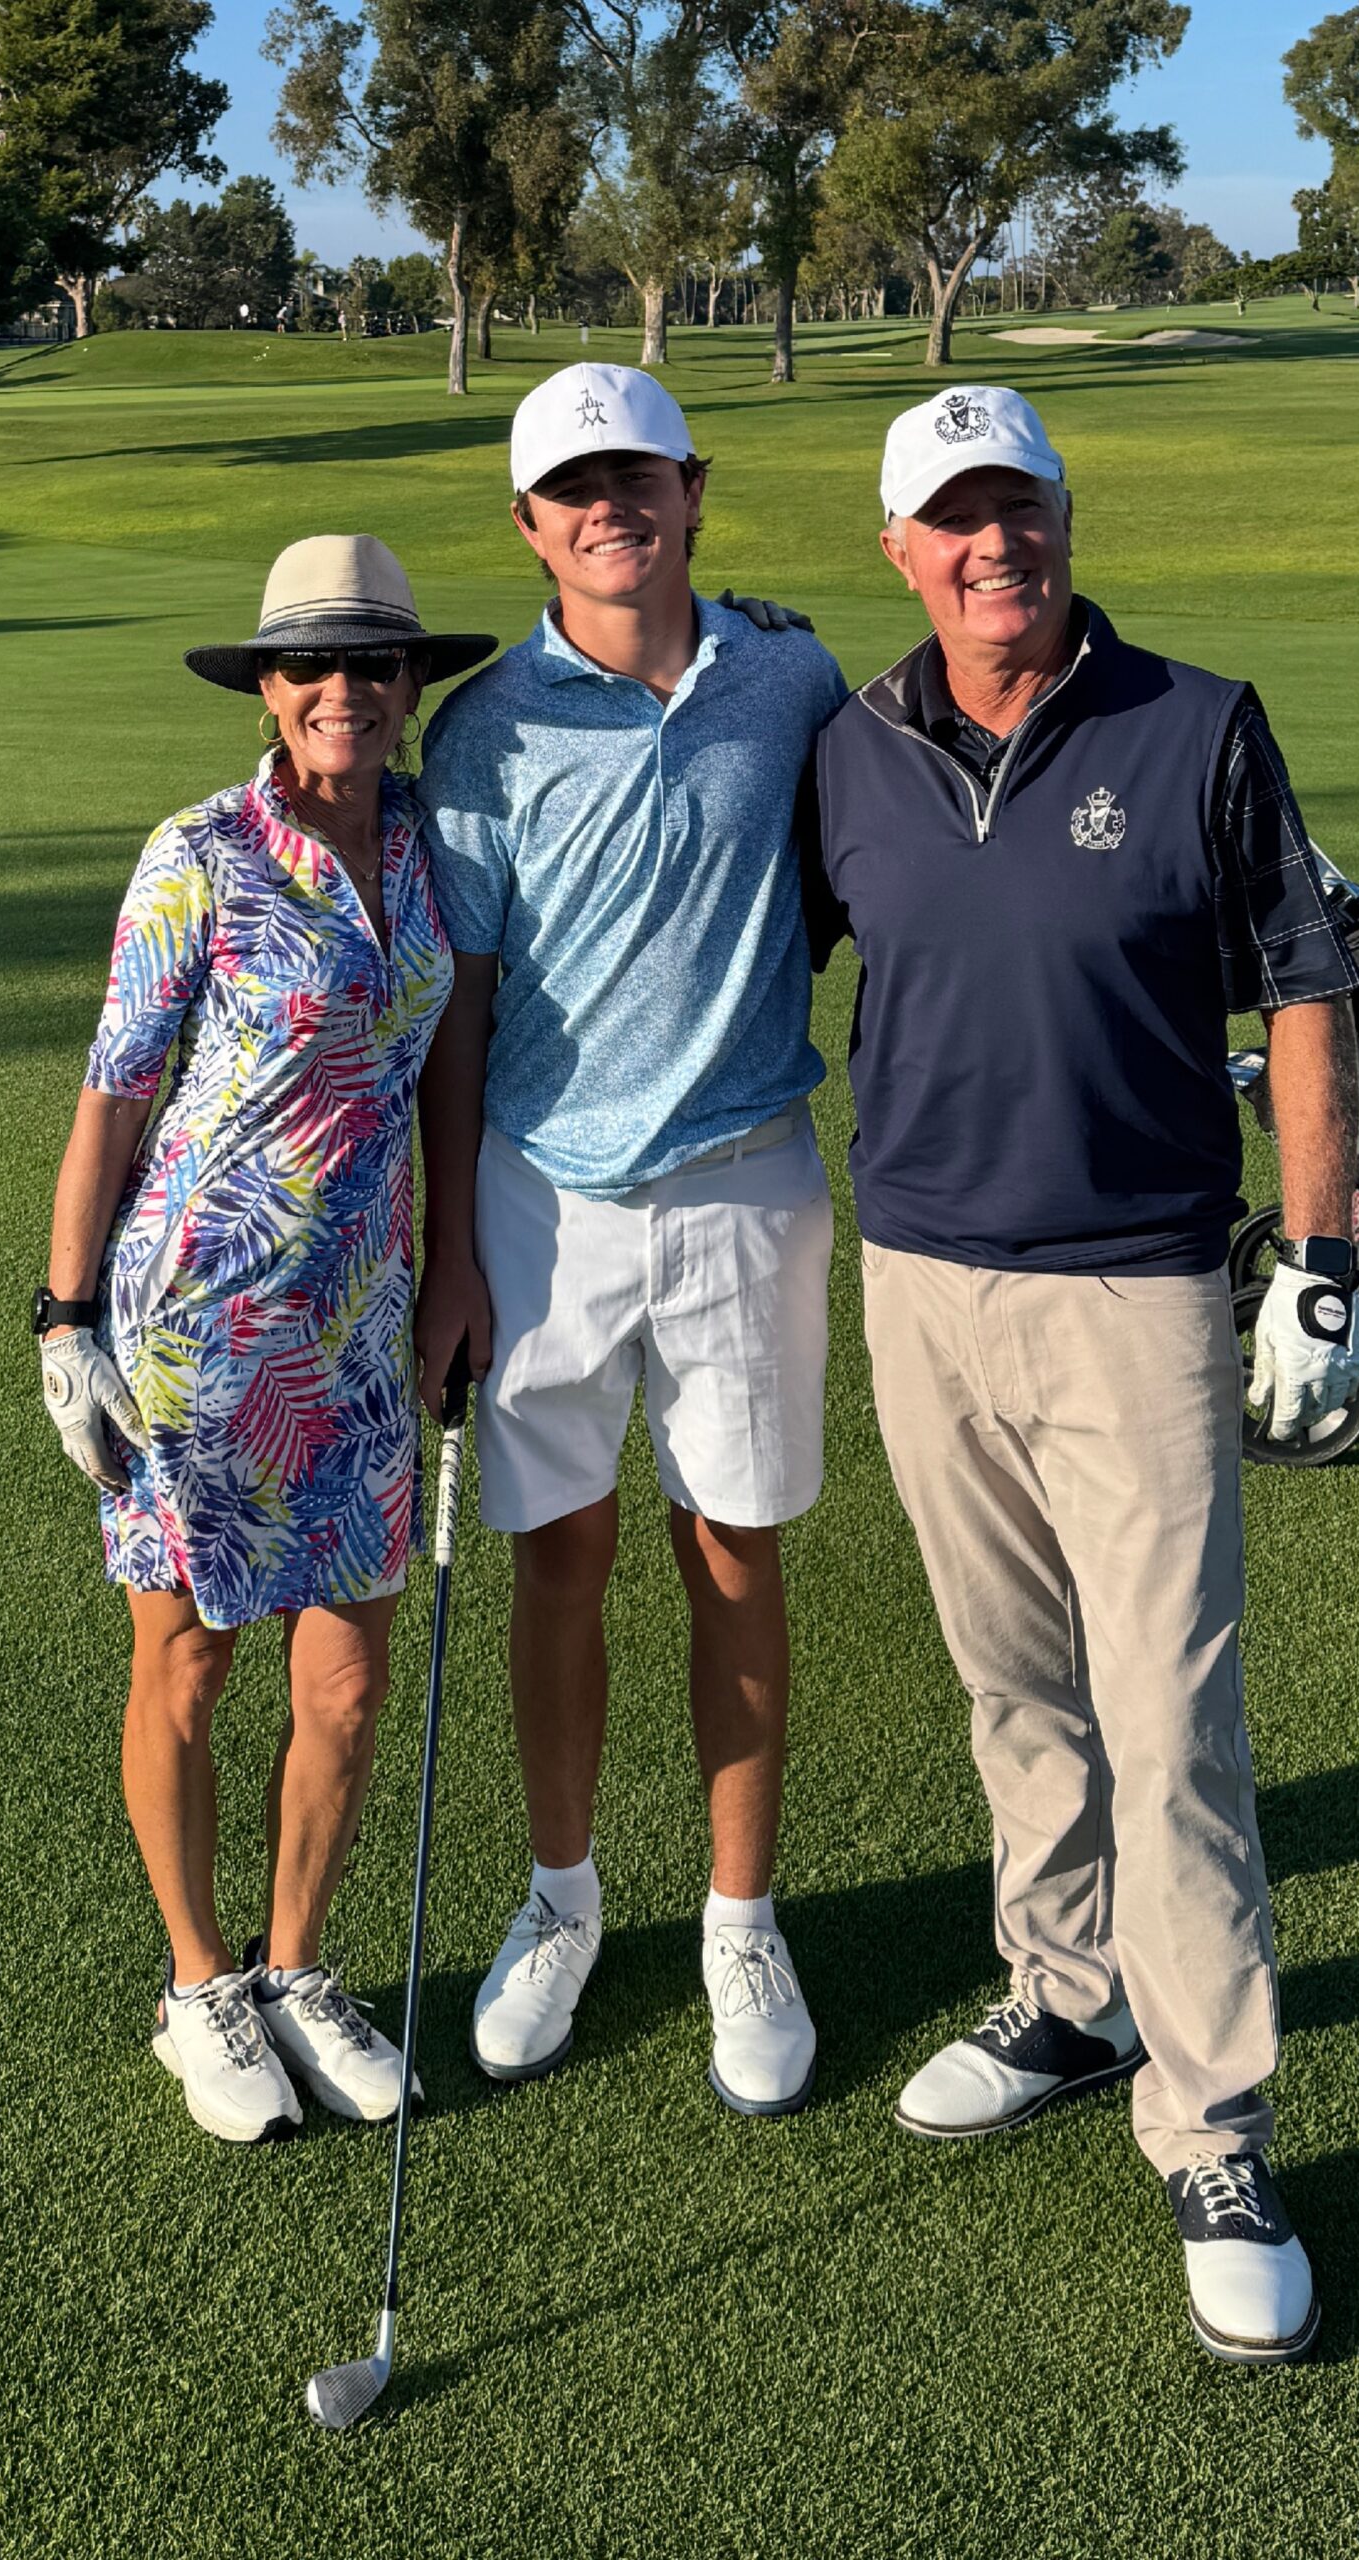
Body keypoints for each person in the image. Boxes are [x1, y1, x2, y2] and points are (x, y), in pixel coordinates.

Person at [802, 387, 1359, 2365]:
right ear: (900, 548)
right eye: (953, 517)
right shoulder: (848, 749)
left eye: (1019, 506)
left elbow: (1306, 980)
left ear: (1064, 512)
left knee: (1169, 1718)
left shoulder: (1196, 723)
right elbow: (766, 965)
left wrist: (1321, 1258)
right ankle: (1066, 1991)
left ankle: (1214, 2127)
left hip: (1133, 1286)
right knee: (1013, 1684)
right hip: (920, 1279)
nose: (994, 545)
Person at [410, 365, 847, 2117]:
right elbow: (461, 1008)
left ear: (692, 488)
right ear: (528, 523)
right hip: (543, 1197)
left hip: (746, 1179)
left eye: (639, 476)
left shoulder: (792, 677)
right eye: (574, 488)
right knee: (559, 1559)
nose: (612, 508)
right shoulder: (484, 731)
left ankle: (742, 1919)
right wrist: (454, 1251)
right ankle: (563, 1900)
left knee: (733, 1551)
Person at [39, 536, 497, 2146]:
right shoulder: (201, 854)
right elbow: (117, 1091)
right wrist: (64, 1314)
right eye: (310, 664)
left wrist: (454, 1269)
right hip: (196, 1320)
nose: (341, 690)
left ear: (410, 685)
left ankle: (295, 1969)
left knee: (348, 1680)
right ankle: (196, 1986)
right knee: (189, 1659)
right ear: (267, 687)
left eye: (373, 663)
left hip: (360, 1320)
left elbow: (451, 1072)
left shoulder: (435, 851)